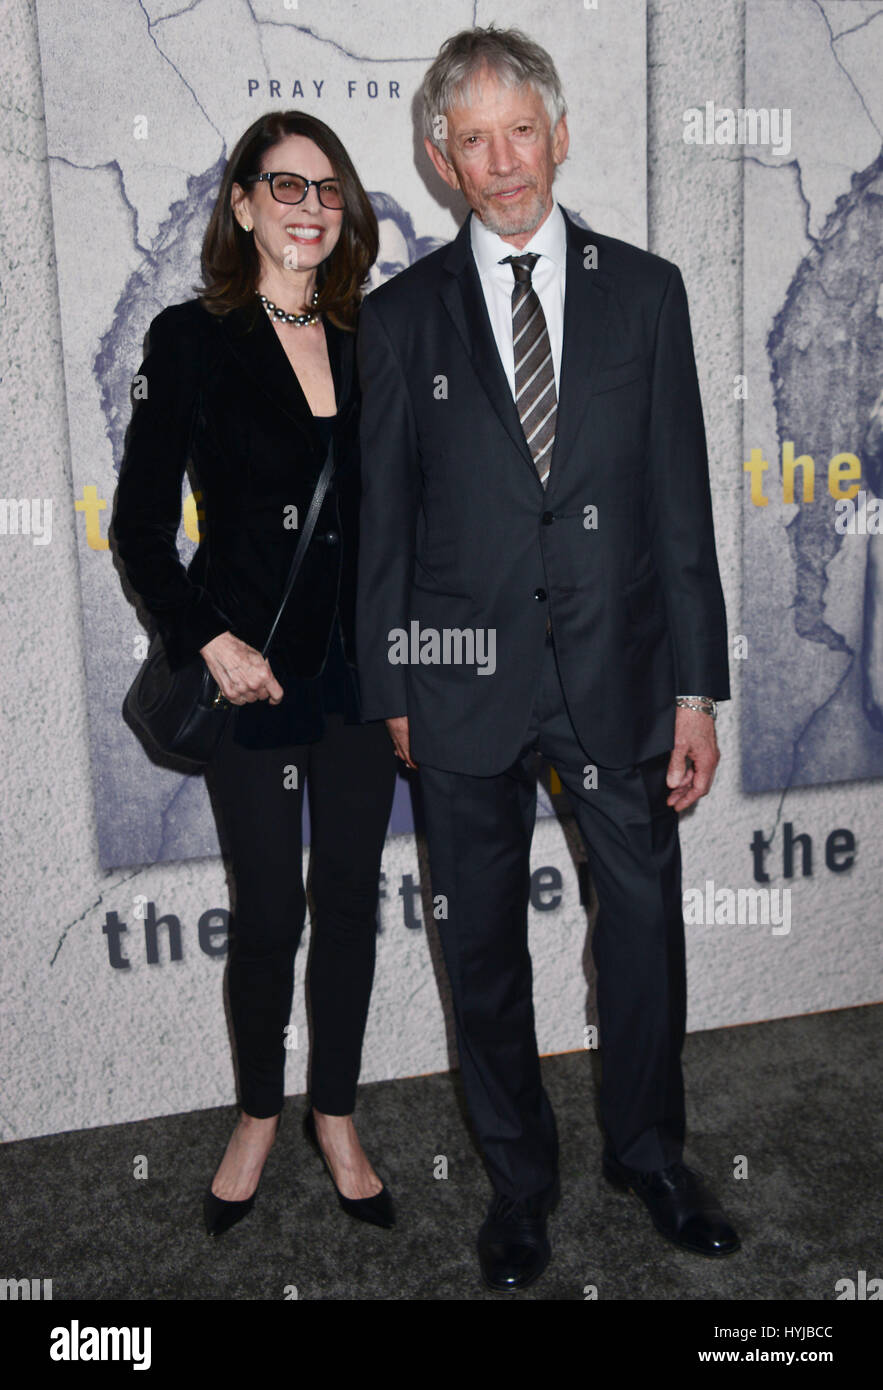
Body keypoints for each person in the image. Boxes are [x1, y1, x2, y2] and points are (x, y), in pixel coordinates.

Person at [355, 26, 740, 1291]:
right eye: (473, 139)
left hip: (621, 674)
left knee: (641, 930)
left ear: (560, 134)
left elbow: (680, 501)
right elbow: (385, 524)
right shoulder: (399, 319)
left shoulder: (647, 290)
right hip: (458, 684)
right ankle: (518, 1186)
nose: (502, 160)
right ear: (440, 159)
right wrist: (394, 685)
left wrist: (696, 687)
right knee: (480, 953)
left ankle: (648, 1153)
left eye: (522, 129)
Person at [112, 110, 398, 1237]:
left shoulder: (377, 342)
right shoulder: (192, 339)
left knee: (350, 908)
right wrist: (208, 641)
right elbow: (139, 530)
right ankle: (257, 1112)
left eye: (328, 189)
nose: (311, 208)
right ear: (240, 205)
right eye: (286, 187)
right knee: (271, 910)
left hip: (359, 686)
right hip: (250, 685)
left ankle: (336, 1112)